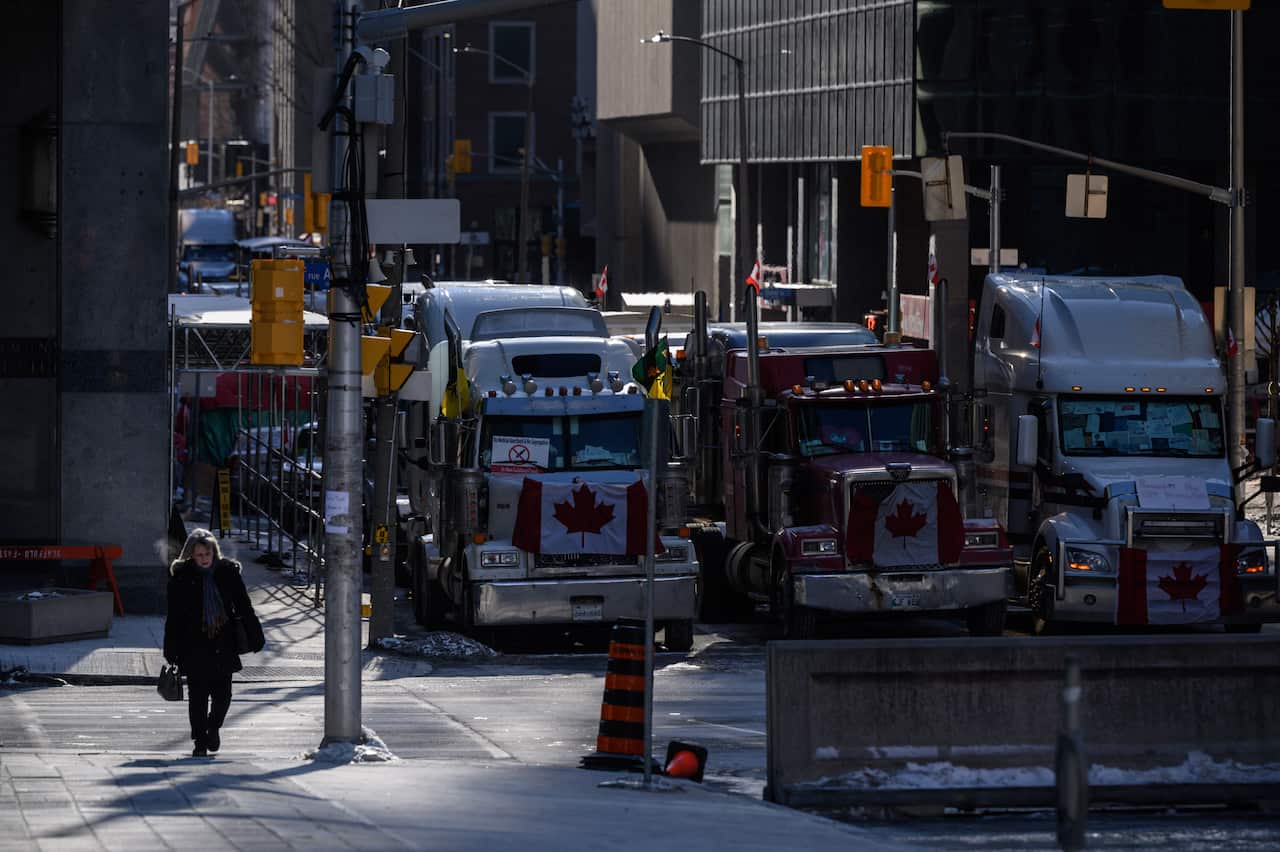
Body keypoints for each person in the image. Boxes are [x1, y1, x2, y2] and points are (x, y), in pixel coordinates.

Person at [163, 529, 258, 757]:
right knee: (197, 697)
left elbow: (244, 606)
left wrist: (255, 634)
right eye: (199, 555)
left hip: (223, 642)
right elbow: (173, 616)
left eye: (207, 553)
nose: (204, 558)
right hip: (193, 644)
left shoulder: (228, 573)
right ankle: (199, 741)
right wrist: (171, 648)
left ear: (214, 553)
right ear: (191, 556)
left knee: (223, 695)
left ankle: (213, 727)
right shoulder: (181, 577)